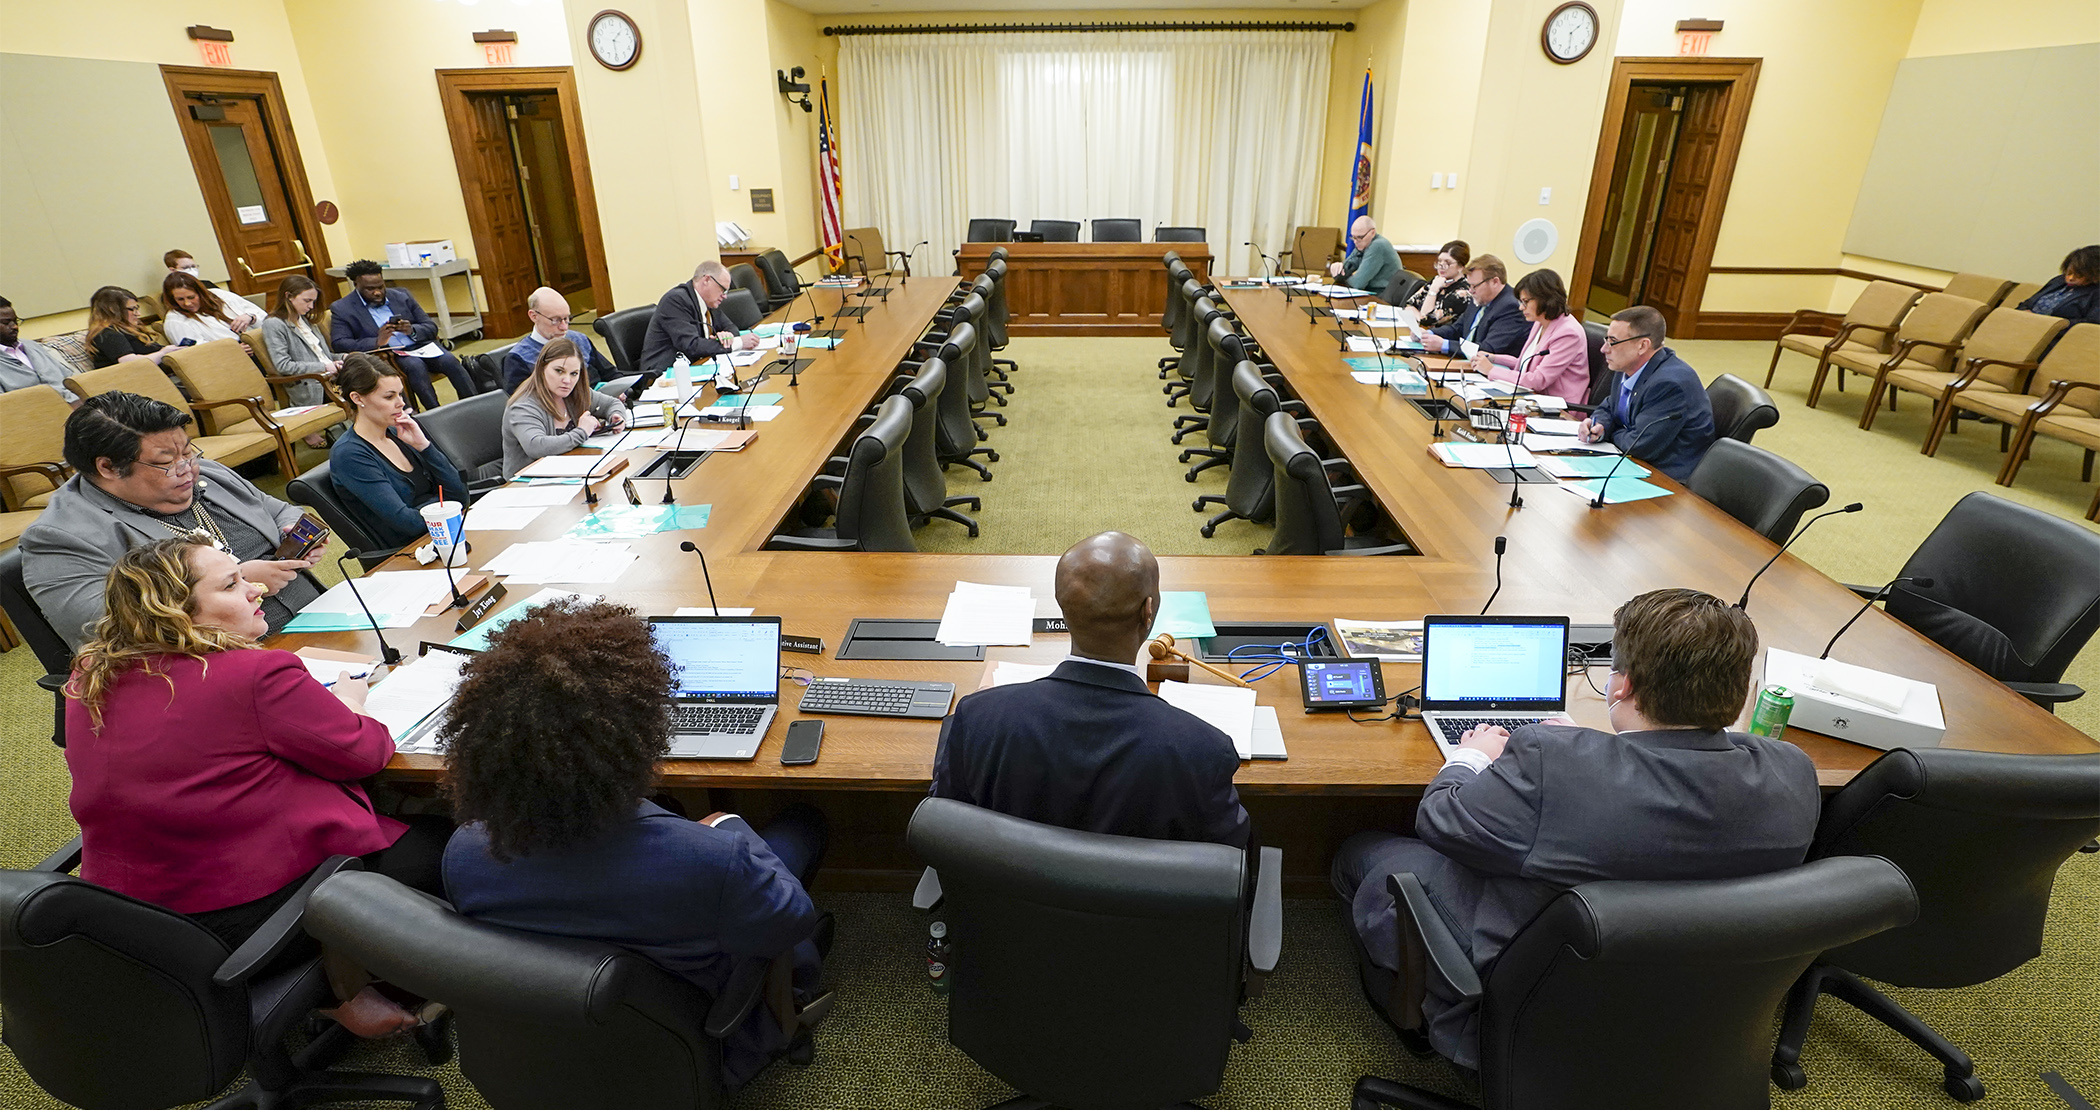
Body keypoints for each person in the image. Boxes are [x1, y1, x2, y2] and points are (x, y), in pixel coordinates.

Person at [1329, 589, 1819, 1073]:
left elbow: (1440, 820)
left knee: (1362, 853)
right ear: (1736, 692)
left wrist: (1471, 757)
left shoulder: (1552, 763)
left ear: (1622, 685)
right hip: (1695, 1012)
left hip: (1537, 994)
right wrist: (1590, 748)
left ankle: (1412, 1014)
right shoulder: (1792, 774)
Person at [63, 537, 451, 1035]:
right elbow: (365, 753)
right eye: (231, 584)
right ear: (176, 611)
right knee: (448, 840)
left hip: (135, 913)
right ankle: (375, 980)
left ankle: (344, 985)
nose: (255, 591)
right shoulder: (253, 673)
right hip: (245, 914)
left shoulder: (91, 672)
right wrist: (354, 701)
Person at [441, 597, 831, 1087]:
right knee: (801, 827)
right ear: (643, 736)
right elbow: (790, 920)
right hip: (687, 1043)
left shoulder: (466, 852)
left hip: (547, 1050)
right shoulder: (709, 858)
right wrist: (729, 824)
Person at [930, 531, 1250, 846]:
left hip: (1006, 896)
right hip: (1138, 899)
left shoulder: (978, 718)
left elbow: (945, 825)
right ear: (1148, 611)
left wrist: (995, 707)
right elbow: (1229, 865)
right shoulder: (1202, 750)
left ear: (1062, 608)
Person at [22, 391, 322, 650]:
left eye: (188, 451)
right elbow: (111, 626)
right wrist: (238, 582)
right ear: (108, 467)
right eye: (166, 462)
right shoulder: (60, 537)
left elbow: (278, 508)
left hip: (318, 615)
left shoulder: (208, 474)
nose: (188, 469)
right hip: (222, 663)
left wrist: (293, 533)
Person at [329, 354, 469, 549]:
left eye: (400, 394)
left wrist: (425, 447)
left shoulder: (399, 432)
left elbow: (460, 495)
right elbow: (407, 524)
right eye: (389, 396)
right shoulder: (350, 455)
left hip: (444, 532)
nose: (401, 403)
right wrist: (444, 506)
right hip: (412, 551)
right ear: (357, 398)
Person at [1576, 305, 1717, 480]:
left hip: (1665, 479)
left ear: (1642, 346)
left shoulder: (1669, 384)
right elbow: (1609, 406)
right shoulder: (1626, 366)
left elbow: (1638, 445)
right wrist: (1600, 426)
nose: (1604, 349)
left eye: (1612, 341)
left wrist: (1612, 431)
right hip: (1633, 463)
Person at [328, 259, 477, 409]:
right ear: (356, 285)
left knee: (450, 360)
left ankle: (475, 404)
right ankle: (435, 412)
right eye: (370, 289)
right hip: (391, 355)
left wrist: (412, 330)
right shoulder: (342, 308)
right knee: (415, 366)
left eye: (380, 286)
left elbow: (430, 326)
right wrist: (377, 341)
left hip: (421, 346)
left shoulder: (401, 295)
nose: (377, 292)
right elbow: (340, 343)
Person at [502, 334, 628, 478]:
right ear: (542, 368)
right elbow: (536, 446)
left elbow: (612, 403)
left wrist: (617, 417)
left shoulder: (575, 392)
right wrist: (582, 432)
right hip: (527, 485)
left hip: (570, 473)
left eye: (574, 373)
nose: (567, 380)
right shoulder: (523, 405)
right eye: (559, 371)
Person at [1468, 268, 1590, 405]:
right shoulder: (1540, 322)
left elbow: (1538, 380)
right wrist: (1493, 358)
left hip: (1557, 407)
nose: (1521, 307)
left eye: (1525, 301)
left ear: (1545, 299)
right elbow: (1524, 363)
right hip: (1530, 397)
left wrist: (1491, 370)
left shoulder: (1568, 333)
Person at [639, 260, 762, 376]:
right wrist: (738, 343)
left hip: (695, 367)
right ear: (707, 280)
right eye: (723, 290)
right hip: (664, 375)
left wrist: (726, 336)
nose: (724, 296)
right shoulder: (676, 301)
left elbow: (731, 327)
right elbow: (692, 345)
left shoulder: (709, 301)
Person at [502, 286, 616, 392]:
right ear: (533, 316)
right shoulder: (519, 358)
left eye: (566, 318)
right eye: (555, 320)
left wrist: (618, 390)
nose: (564, 327)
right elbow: (523, 405)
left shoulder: (580, 339)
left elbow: (611, 374)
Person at [259, 274, 344, 412]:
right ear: (288, 296)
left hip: (331, 379)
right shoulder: (274, 324)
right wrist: (325, 366)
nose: (311, 306)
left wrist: (342, 358)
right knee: (366, 389)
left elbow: (323, 355)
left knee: (365, 367)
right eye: (307, 300)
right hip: (311, 385)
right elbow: (283, 365)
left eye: (313, 301)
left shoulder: (305, 320)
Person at [1421, 255, 1527, 359]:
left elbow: (1487, 350)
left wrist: (1444, 345)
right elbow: (1457, 329)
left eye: (1474, 286)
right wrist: (1428, 334)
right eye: (1469, 285)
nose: (1470, 291)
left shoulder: (1511, 307)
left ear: (1495, 282)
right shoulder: (1479, 297)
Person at [0, 295, 80, 404]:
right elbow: (6, 409)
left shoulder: (31, 345)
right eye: (6, 323)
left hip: (80, 408)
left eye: (16, 321)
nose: (15, 327)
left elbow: (71, 379)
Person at [157, 271, 265, 349]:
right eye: (180, 299)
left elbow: (265, 318)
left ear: (201, 293)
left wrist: (251, 317)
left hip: (257, 342)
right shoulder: (175, 321)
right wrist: (234, 350)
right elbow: (197, 351)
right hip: (231, 359)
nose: (187, 303)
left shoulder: (220, 295)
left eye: (191, 297)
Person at [84, 286, 179, 368]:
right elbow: (131, 363)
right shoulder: (107, 334)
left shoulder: (129, 329)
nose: (138, 314)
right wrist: (163, 353)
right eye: (132, 309)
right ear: (113, 310)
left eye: (137, 308)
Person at [2016, 244, 2100, 335]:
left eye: (2079, 275)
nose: (2071, 278)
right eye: (2069, 273)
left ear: (2094, 274)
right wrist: (2024, 312)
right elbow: (2027, 303)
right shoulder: (2058, 281)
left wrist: (2048, 323)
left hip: (2054, 337)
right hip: (2024, 326)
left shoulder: (2096, 292)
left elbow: (2091, 324)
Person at [1401, 240, 1472, 330]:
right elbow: (1409, 305)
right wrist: (1419, 318)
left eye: (1447, 263)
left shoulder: (1463, 293)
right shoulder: (1438, 279)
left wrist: (1433, 291)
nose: (1441, 266)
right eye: (1439, 262)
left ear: (1461, 266)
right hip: (1422, 332)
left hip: (1441, 339)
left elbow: (1426, 320)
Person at [1329, 216, 1402, 299]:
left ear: (1372, 233)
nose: (1355, 242)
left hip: (1383, 297)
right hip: (1372, 293)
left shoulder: (1378, 245)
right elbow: (1346, 268)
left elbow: (1357, 283)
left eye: (1359, 237)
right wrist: (1337, 268)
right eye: (1353, 237)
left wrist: (1342, 279)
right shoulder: (1363, 243)